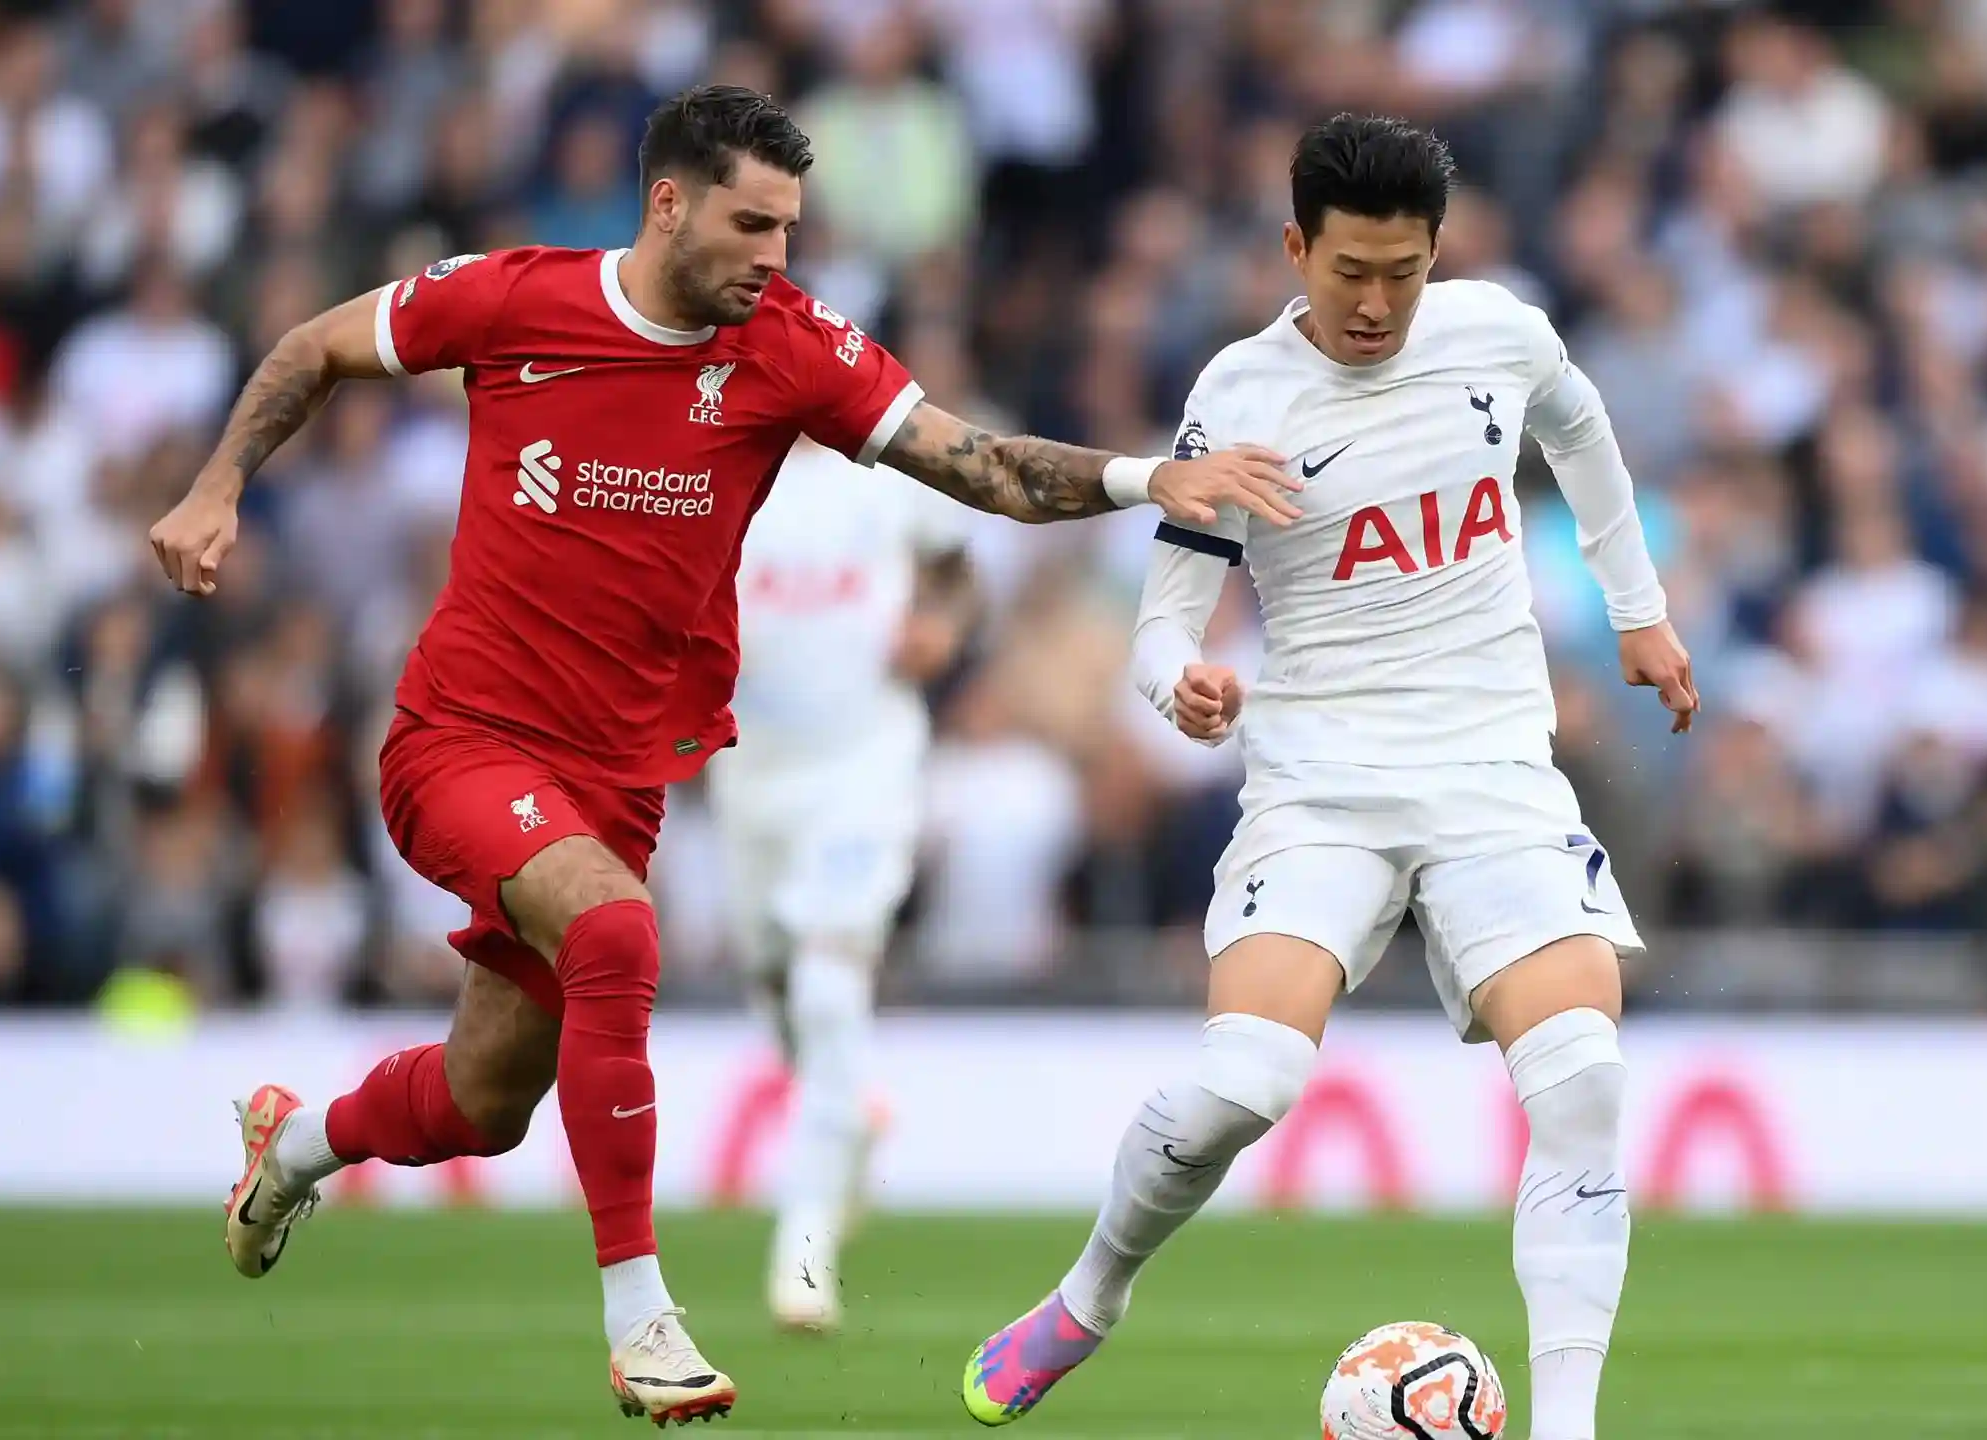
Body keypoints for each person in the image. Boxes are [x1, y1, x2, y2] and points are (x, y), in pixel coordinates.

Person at [148, 85, 1299, 1426]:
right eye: (753, 224)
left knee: (480, 1103)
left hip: (615, 783)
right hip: (460, 739)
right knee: (619, 933)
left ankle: (288, 1147)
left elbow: (974, 464)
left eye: (792, 229)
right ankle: (642, 1318)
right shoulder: (516, 300)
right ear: (668, 203)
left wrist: (1140, 478)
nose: (775, 256)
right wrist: (217, 483)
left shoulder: (787, 345)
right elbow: (312, 348)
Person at [961, 114, 1698, 1440]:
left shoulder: (1498, 336)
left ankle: (1571, 1428)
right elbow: (1161, 626)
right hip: (1321, 784)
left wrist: (1636, 608)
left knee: (1583, 1077)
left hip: (1492, 772)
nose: (1375, 303)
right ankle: (1087, 1297)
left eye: (1403, 272)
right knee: (1241, 1086)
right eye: (1349, 270)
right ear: (1296, 247)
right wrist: (1175, 684)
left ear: (1437, 254)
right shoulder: (1238, 398)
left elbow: (1580, 427)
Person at [706, 435, 975, 1332]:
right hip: (749, 775)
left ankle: (806, 1250)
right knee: (781, 989)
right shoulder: (718, 464)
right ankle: (848, 1117)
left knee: (826, 986)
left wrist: (940, 624)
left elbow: (954, 564)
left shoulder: (886, 471)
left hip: (864, 770)